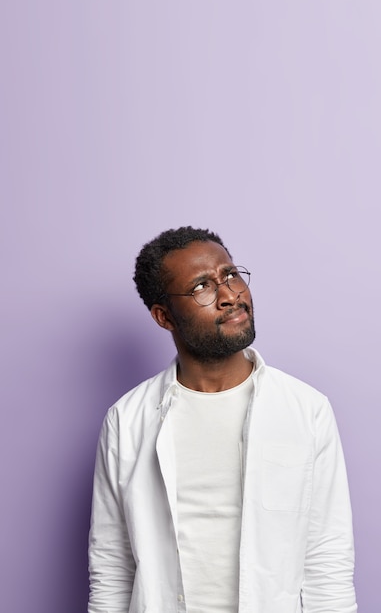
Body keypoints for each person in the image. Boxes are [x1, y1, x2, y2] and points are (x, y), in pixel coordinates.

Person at [88, 226, 357, 613]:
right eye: (202, 287)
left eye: (230, 275)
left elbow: (327, 558)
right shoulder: (126, 420)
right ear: (164, 317)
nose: (230, 294)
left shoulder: (306, 409)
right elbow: (111, 566)